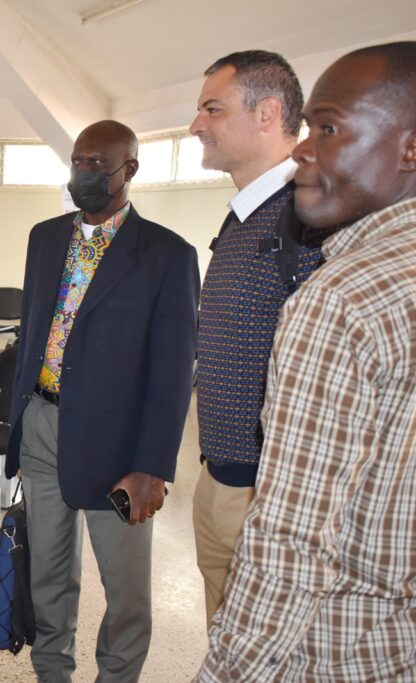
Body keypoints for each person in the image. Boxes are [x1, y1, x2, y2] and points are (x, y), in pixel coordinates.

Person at [196, 41, 416, 682]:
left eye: (329, 127)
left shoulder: (340, 284)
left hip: (329, 638)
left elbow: (290, 546)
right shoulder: (252, 221)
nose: (304, 149)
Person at [6, 120, 199, 682]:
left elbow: (172, 372)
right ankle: (52, 674)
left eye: (97, 164)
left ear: (129, 169)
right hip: (42, 424)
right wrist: (19, 418)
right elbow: (35, 329)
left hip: (119, 448)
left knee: (126, 590)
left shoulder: (167, 253)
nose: (83, 174)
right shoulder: (45, 237)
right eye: (77, 162)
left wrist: (153, 467)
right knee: (48, 575)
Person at [188, 51, 333, 624]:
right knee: (224, 641)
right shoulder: (245, 216)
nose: (197, 124)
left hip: (270, 497)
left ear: (268, 112)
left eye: (212, 109)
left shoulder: (312, 218)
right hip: (218, 474)